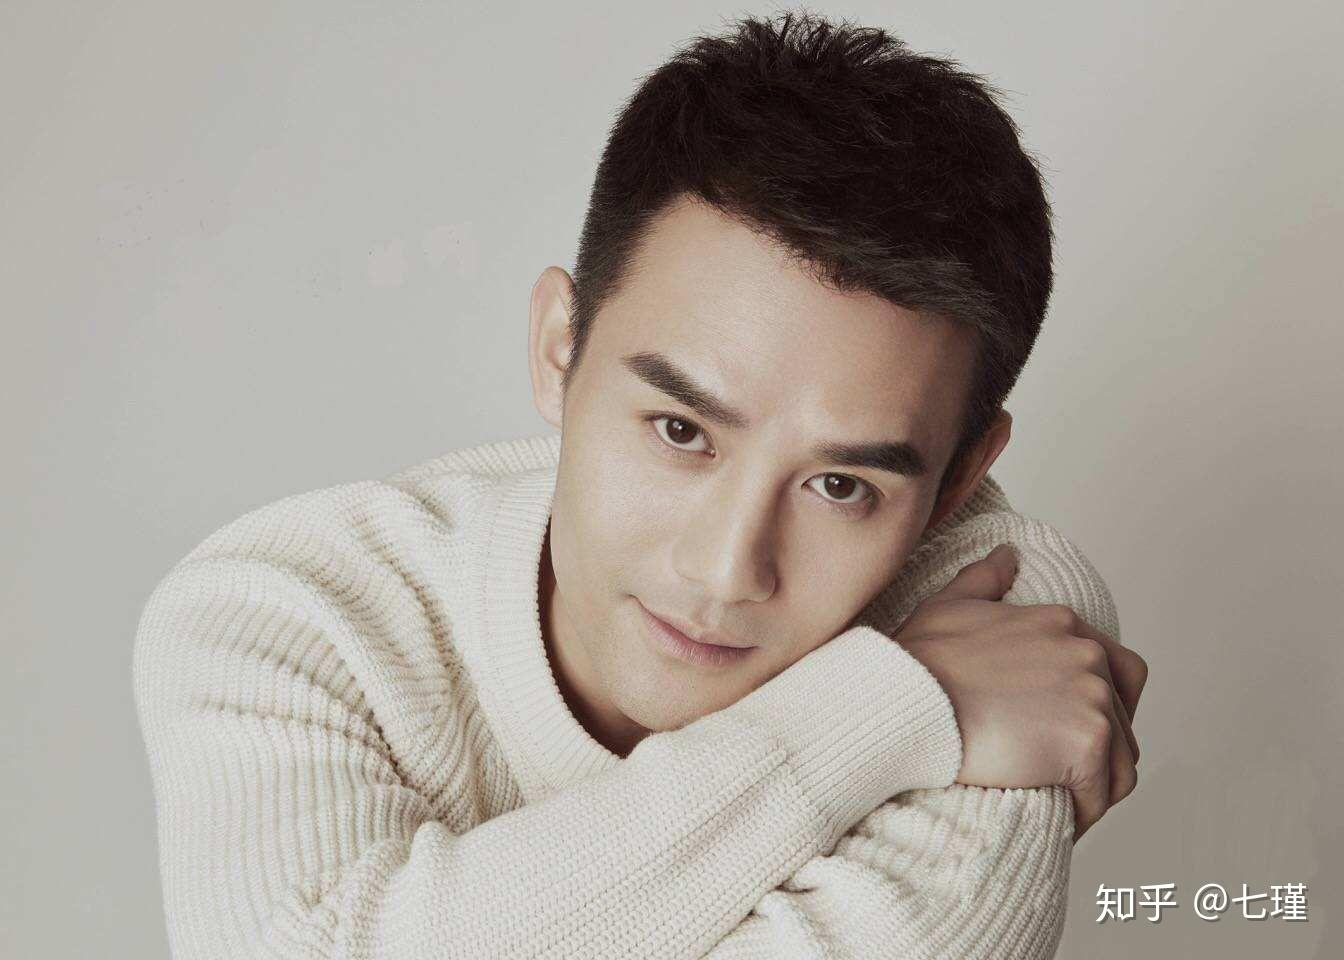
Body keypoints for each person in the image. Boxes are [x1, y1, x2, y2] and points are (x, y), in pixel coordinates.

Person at [132, 11, 1147, 959]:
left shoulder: (1006, 615)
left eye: (841, 487)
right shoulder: (288, 613)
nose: (727, 568)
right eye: (680, 431)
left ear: (962, 476)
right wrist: (883, 711)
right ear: (558, 349)